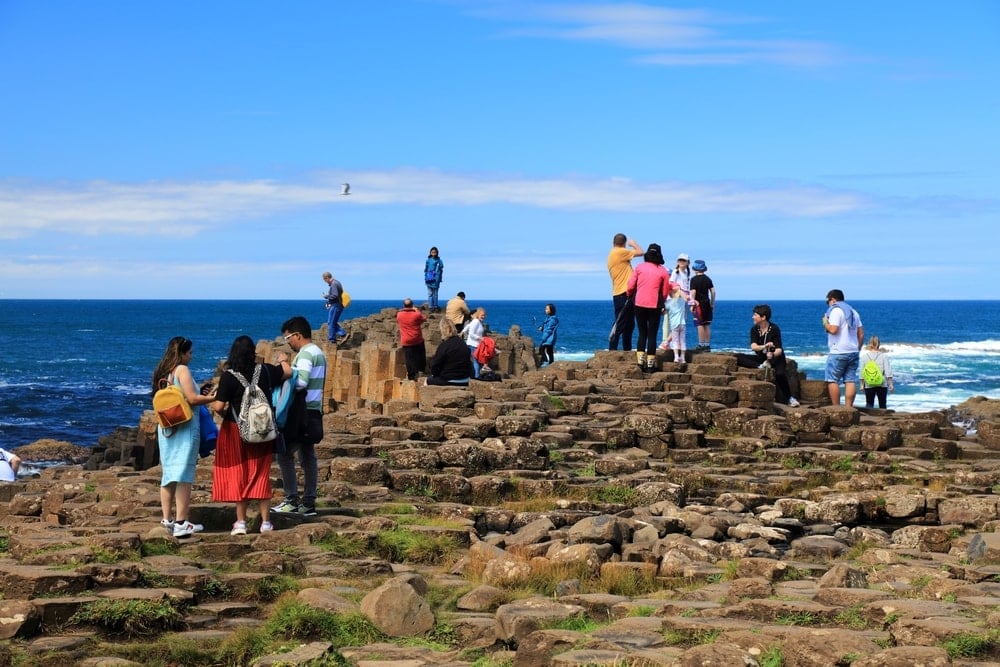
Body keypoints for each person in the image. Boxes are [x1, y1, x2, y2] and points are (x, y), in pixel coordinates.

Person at [210, 335, 291, 535]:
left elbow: (219, 406)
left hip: (235, 430)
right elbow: (288, 372)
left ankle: (241, 522)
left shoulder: (229, 376)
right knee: (260, 473)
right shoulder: (264, 370)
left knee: (239, 474)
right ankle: (265, 523)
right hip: (262, 430)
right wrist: (282, 361)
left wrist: (220, 408)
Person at [151, 336, 216, 538]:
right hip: (185, 429)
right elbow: (192, 399)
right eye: (190, 353)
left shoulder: (164, 372)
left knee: (169, 474)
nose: (191, 356)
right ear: (182, 353)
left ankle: (167, 520)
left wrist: (200, 390)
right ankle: (181, 522)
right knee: (184, 475)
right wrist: (213, 397)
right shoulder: (182, 370)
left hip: (168, 429)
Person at [273, 316, 327, 516]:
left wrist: (285, 366)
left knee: (284, 455)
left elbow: (301, 382)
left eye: (288, 339)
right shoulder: (318, 352)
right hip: (314, 410)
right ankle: (309, 502)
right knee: (308, 456)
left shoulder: (305, 354)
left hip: (301, 412)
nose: (288, 343)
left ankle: (291, 499)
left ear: (297, 335)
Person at [735, 304, 801, 407]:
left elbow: (779, 349)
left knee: (780, 374)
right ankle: (760, 366)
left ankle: (789, 398)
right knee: (738, 357)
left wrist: (772, 354)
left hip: (776, 358)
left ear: (763, 317)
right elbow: (753, 346)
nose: (753, 317)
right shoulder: (754, 329)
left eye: (755, 315)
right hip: (762, 358)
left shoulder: (774, 329)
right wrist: (764, 347)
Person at [626, 243, 672, 372]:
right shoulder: (662, 271)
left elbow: (630, 285)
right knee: (652, 334)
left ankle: (640, 362)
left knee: (642, 333)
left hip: (639, 303)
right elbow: (665, 291)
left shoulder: (639, 267)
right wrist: (662, 302)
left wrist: (630, 294)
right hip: (655, 305)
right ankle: (651, 365)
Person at [823, 289, 865, 406]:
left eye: (828, 301)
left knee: (832, 380)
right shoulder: (853, 312)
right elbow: (861, 333)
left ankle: (836, 408)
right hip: (853, 350)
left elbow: (833, 329)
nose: (828, 304)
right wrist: (858, 347)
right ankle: (848, 408)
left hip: (838, 351)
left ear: (833, 299)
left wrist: (825, 323)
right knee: (850, 380)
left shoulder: (836, 311)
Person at [607, 233, 643, 351]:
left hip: (625, 292)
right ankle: (612, 349)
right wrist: (633, 244)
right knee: (620, 322)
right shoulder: (620, 252)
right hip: (623, 293)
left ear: (613, 242)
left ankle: (626, 349)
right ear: (623, 244)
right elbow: (641, 252)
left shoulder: (614, 253)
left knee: (629, 324)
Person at [425, 318, 474, 386]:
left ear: (442, 331)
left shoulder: (444, 346)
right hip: (465, 379)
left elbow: (436, 366)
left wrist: (435, 374)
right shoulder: (463, 343)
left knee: (427, 381)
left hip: (449, 379)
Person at [859, 335, 894, 409]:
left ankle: (870, 419)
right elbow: (888, 371)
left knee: (869, 404)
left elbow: (862, 372)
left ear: (870, 344)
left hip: (869, 383)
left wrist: (862, 385)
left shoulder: (864, 357)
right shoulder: (884, 356)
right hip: (882, 383)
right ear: (879, 344)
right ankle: (884, 419)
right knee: (882, 404)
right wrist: (890, 384)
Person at [397, 297, 427, 380]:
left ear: (403, 305)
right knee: (420, 355)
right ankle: (421, 370)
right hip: (417, 339)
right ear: (412, 305)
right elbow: (424, 318)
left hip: (406, 340)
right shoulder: (416, 314)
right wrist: (416, 310)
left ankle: (411, 376)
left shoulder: (399, 315)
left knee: (409, 358)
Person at [690, 259, 716, 351]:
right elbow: (713, 292)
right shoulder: (708, 279)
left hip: (698, 305)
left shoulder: (693, 280)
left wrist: (692, 304)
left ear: (694, 269)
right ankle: (707, 345)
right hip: (707, 304)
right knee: (707, 324)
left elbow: (693, 292)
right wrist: (712, 303)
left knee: (700, 325)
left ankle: (701, 344)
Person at [659, 283, 687, 364]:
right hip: (683, 324)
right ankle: (683, 358)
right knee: (683, 341)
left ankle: (676, 357)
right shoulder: (682, 301)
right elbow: (686, 297)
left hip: (674, 325)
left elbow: (663, 311)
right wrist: (679, 290)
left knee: (675, 341)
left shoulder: (668, 303)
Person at [322, 271, 349, 344]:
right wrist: (329, 302)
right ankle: (340, 335)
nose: (325, 282)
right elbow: (337, 295)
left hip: (336, 306)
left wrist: (326, 296)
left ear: (327, 278)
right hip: (337, 305)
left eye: (325, 280)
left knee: (331, 323)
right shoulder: (337, 282)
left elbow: (335, 295)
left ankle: (333, 339)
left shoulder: (333, 284)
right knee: (331, 322)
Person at [461, 307, 487, 378]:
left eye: (484, 315)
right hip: (473, 345)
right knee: (476, 362)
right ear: (478, 314)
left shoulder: (477, 322)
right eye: (482, 315)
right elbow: (471, 334)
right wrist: (480, 338)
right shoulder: (476, 322)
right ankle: (476, 377)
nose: (483, 317)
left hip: (476, 345)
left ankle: (475, 376)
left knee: (478, 362)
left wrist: (462, 332)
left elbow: (468, 326)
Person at [424, 247, 444, 313]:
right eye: (432, 252)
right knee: (430, 293)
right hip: (429, 278)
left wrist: (440, 278)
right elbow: (426, 269)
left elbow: (441, 270)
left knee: (435, 294)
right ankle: (430, 306)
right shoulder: (428, 260)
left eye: (435, 252)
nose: (433, 253)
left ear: (437, 253)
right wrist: (426, 277)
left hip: (436, 279)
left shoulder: (439, 260)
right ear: (430, 253)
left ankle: (435, 306)